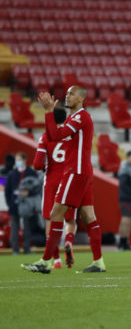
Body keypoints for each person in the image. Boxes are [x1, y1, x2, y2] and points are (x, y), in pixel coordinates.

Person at [24, 86, 106, 274]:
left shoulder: (80, 117)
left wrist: (48, 112)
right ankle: (98, 262)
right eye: (67, 94)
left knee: (55, 214)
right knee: (88, 217)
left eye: (71, 94)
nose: (67, 96)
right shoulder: (73, 118)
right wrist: (49, 114)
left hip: (75, 172)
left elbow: (55, 135)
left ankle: (46, 262)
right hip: (82, 172)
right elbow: (55, 135)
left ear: (81, 98)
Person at [32, 106, 79, 268]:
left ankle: (57, 260)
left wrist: (45, 167)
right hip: (70, 181)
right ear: (66, 118)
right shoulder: (72, 135)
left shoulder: (46, 137)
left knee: (50, 221)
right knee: (70, 219)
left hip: (51, 182)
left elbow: (37, 164)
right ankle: (68, 241)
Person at [6, 153, 39, 255]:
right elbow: (8, 191)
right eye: (16, 160)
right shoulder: (12, 174)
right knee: (14, 228)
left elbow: (37, 188)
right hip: (14, 204)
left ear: (24, 160)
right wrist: (9, 203)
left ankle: (27, 248)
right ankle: (15, 249)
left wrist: (29, 193)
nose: (17, 162)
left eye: (19, 159)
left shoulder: (31, 172)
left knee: (27, 227)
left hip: (27, 204)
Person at [117, 151, 131, 251]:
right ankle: (122, 242)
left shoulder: (129, 168)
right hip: (127, 198)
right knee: (126, 220)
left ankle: (124, 242)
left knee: (128, 220)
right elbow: (124, 185)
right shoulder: (125, 169)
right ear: (128, 157)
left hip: (129, 197)